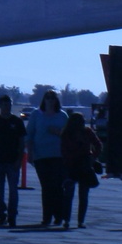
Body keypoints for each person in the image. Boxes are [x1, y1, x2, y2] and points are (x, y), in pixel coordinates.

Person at [26, 90, 69, 228]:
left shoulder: (62, 116)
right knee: (46, 187)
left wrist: (57, 132)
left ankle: (59, 216)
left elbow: (69, 135)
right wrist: (30, 153)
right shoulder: (36, 115)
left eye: (53, 98)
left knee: (57, 187)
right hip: (41, 156)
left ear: (56, 101)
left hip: (58, 156)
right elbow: (29, 135)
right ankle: (46, 217)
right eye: (48, 98)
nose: (50, 100)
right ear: (44, 100)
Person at [0, 95, 25, 227]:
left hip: (13, 162)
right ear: (0, 106)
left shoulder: (17, 122)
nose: (7, 107)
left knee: (13, 190)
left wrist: (19, 160)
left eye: (9, 105)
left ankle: (12, 215)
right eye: (4, 105)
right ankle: (2, 215)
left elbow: (22, 143)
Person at [61, 110, 104, 228]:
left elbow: (98, 145)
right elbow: (99, 145)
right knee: (77, 195)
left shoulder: (73, 133)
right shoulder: (72, 133)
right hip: (78, 166)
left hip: (78, 166)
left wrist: (93, 158)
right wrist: (93, 157)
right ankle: (73, 221)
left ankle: (72, 221)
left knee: (75, 195)